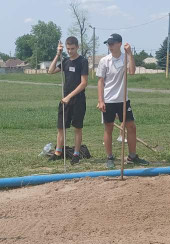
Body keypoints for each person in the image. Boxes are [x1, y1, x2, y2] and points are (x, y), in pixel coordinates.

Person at [96, 33, 148, 169]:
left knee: (131, 126)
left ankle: (132, 156)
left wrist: (130, 54)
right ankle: (109, 157)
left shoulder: (125, 58)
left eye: (112, 43)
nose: (110, 46)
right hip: (108, 100)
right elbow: (100, 81)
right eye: (108, 44)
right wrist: (101, 100)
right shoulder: (104, 61)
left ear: (119, 43)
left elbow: (132, 72)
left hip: (123, 99)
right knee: (109, 128)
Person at [47, 36, 88, 164]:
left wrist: (70, 96)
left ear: (77, 47)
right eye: (68, 49)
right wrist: (57, 54)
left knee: (77, 128)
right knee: (61, 127)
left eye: (72, 49)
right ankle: (58, 152)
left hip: (78, 100)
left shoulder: (83, 61)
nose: (70, 51)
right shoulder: (65, 61)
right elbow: (50, 71)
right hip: (65, 100)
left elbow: (84, 83)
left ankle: (76, 154)